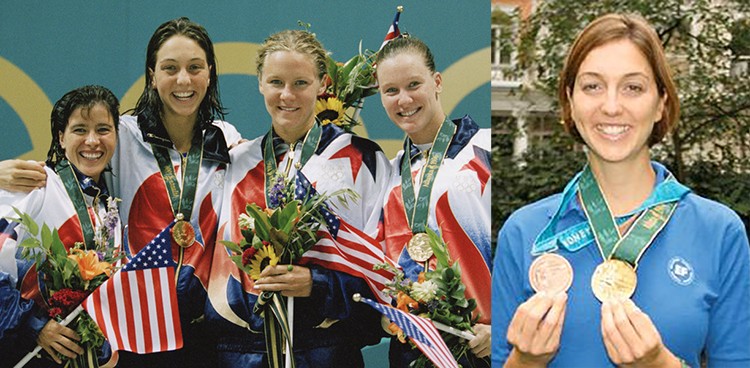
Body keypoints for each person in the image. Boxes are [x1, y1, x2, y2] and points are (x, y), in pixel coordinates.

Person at [492, 13, 750, 367]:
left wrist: (659, 364)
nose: (611, 106)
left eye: (633, 87)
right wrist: (526, 360)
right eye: (592, 86)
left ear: (660, 102)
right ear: (570, 101)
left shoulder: (720, 231)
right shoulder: (523, 232)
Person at [0, 17, 242, 367]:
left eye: (195, 67)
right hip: (136, 329)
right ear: (152, 74)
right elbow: (70, 161)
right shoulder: (123, 134)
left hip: (201, 332)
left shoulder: (227, 140)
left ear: (210, 73)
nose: (183, 80)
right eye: (170, 68)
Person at [205, 29, 391, 367]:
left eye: (301, 83)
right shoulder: (235, 162)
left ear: (322, 85)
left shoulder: (360, 159)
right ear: (260, 82)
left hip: (326, 352)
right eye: (276, 82)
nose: (287, 95)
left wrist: (317, 285)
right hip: (242, 354)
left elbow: (383, 269)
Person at [374, 36, 492, 367]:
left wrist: (505, 326)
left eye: (414, 84)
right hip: (412, 351)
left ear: (437, 82)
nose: (404, 99)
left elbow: (521, 247)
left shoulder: (486, 148)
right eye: (391, 90)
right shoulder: (391, 171)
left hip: (480, 347)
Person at [0, 85, 121, 367]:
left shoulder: (107, 209)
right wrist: (35, 326)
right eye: (80, 130)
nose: (93, 141)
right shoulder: (34, 185)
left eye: (103, 129)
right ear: (61, 138)